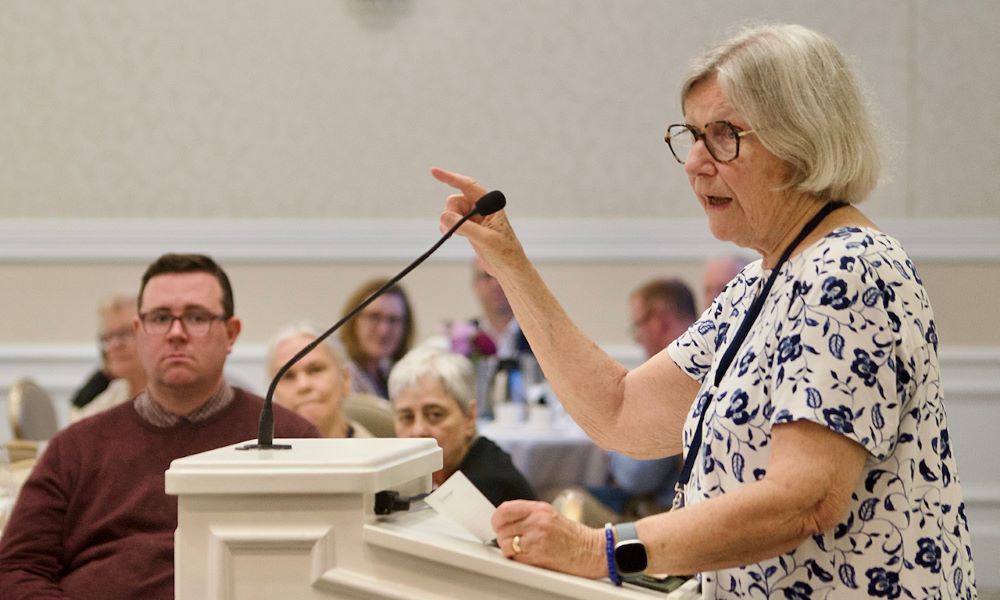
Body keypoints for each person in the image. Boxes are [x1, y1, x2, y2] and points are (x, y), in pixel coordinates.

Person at [431, 23, 976, 598]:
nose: (694, 162)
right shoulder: (760, 281)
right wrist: (509, 262)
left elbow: (806, 500)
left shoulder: (851, 269)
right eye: (692, 135)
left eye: (723, 136)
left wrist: (599, 550)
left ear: (802, 140)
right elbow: (620, 412)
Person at [0, 253, 320, 599]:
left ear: (231, 334)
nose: (176, 333)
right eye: (160, 318)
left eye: (197, 317)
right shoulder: (75, 447)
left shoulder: (294, 439)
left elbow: (330, 566)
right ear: (139, 332)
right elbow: (17, 568)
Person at [560, 278, 696, 526]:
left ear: (659, 320)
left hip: (665, 517)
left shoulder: (675, 373)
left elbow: (637, 477)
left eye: (638, 326)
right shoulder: (703, 357)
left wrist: (610, 446)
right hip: (685, 509)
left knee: (565, 503)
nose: (637, 339)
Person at [388, 346, 536, 507]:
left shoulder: (486, 484)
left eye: (435, 415)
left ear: (470, 417)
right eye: (407, 417)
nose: (418, 431)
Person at [267, 322, 374, 438]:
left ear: (345, 378)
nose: (303, 385)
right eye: (288, 376)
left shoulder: (377, 448)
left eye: (315, 370)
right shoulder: (257, 447)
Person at [70, 292, 148, 422]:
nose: (115, 345)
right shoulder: (117, 392)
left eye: (125, 333)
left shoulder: (170, 396)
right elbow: (78, 424)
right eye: (108, 337)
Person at [339, 277, 415, 399]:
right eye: (374, 317)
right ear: (353, 320)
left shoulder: (394, 375)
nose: (383, 330)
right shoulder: (339, 374)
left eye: (393, 320)